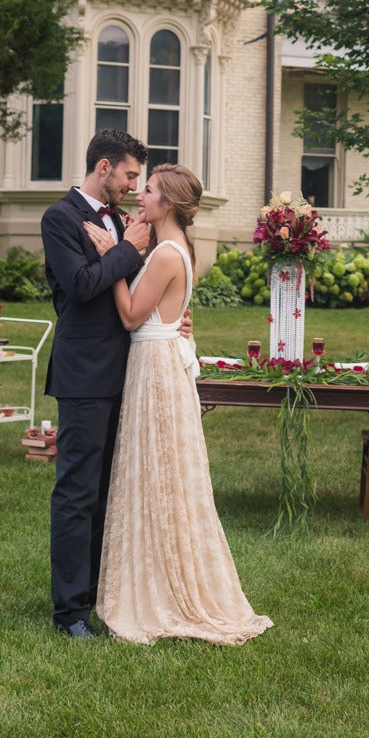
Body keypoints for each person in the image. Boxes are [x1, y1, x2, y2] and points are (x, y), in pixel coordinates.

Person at [83, 163, 273, 646]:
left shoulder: (167, 253)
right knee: (157, 472)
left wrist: (115, 257)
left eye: (146, 191)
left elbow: (129, 316)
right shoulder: (175, 247)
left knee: (159, 472)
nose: (138, 196)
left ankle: (165, 591)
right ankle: (156, 575)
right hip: (158, 357)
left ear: (166, 203)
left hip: (154, 366)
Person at [41, 128, 151, 639]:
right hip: (83, 373)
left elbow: (132, 289)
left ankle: (98, 595)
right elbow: (83, 286)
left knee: (108, 491)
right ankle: (69, 613)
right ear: (103, 167)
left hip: (127, 370)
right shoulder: (60, 219)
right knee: (78, 493)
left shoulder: (122, 223)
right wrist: (128, 249)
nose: (134, 185)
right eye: (130, 174)